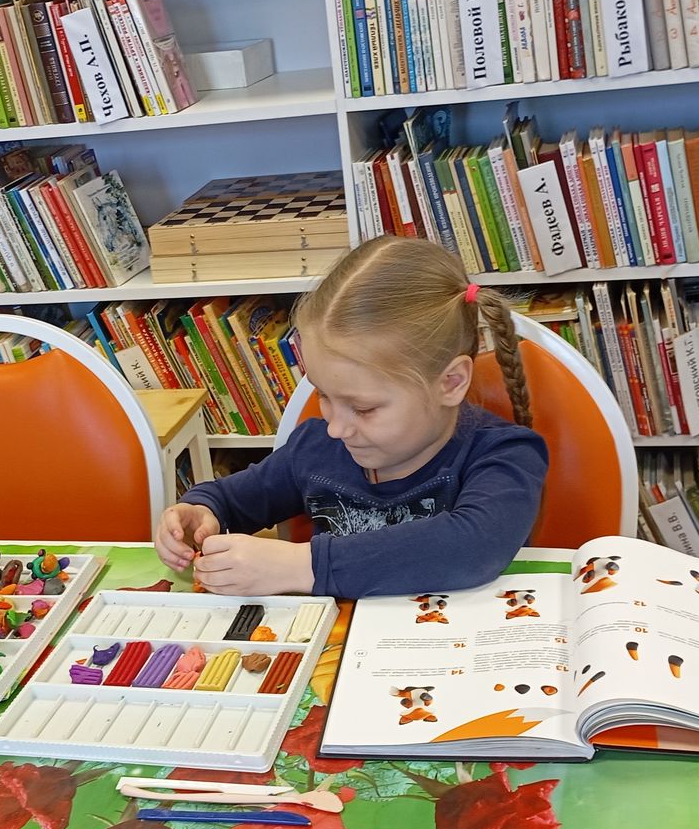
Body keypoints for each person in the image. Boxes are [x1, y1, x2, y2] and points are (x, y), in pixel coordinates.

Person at [155, 236, 549, 598]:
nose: (336, 428)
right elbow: (231, 500)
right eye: (324, 395)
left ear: (451, 382)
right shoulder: (314, 448)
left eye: (363, 409)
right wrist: (201, 512)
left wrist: (302, 566)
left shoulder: (505, 453)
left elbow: (473, 546)